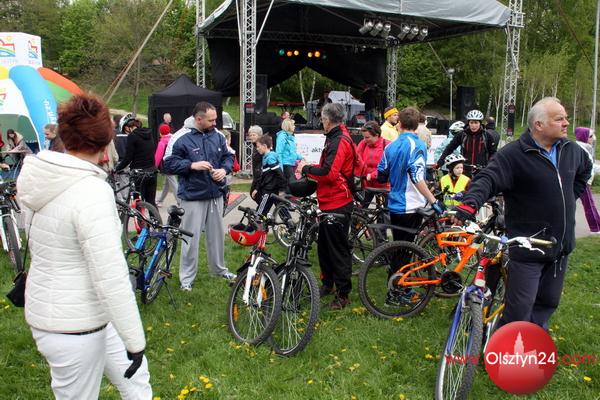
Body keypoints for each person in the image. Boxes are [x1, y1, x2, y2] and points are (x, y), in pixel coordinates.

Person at [17, 93, 151, 399]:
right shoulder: (91, 192)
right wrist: (135, 341)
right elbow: (111, 275)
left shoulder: (40, 176)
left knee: (137, 382)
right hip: (73, 324)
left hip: (78, 313)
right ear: (106, 142)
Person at [453, 97, 591, 329]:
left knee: (547, 303)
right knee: (519, 310)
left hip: (560, 247)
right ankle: (504, 346)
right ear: (539, 124)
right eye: (559, 119)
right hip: (529, 248)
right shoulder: (514, 154)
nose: (566, 123)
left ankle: (530, 344)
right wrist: (470, 204)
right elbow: (488, 178)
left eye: (566, 118)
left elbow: (584, 171)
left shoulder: (572, 150)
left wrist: (569, 196)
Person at [163, 101, 236, 290]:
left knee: (217, 236)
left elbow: (229, 156)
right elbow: (167, 163)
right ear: (198, 119)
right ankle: (186, 280)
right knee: (190, 239)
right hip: (192, 196)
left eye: (215, 119)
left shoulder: (217, 135)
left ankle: (219, 270)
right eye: (211, 120)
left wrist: (224, 170)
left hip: (215, 194)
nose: (215, 123)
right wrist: (191, 165)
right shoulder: (180, 137)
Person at [377, 107, 444, 306]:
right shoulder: (418, 145)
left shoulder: (390, 146)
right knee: (405, 250)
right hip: (412, 205)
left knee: (400, 248)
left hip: (395, 204)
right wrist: (433, 200)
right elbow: (416, 176)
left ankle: (397, 288)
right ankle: (397, 292)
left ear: (400, 123)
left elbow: (381, 174)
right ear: (417, 125)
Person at [298, 103, 355, 310]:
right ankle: (328, 284)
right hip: (329, 200)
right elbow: (329, 169)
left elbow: (329, 173)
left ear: (327, 120)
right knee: (324, 247)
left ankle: (343, 294)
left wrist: (306, 169)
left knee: (337, 250)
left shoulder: (339, 140)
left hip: (338, 201)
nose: (322, 123)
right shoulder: (334, 137)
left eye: (322, 120)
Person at [435, 109, 497, 177]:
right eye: (471, 122)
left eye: (476, 123)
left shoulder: (487, 136)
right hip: (464, 170)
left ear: (480, 123)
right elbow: (449, 148)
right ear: (468, 123)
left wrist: (490, 166)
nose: (473, 125)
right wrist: (440, 162)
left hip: (481, 171)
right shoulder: (462, 135)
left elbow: (493, 153)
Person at [115, 114, 158, 206]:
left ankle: (139, 216)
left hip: (139, 174)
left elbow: (128, 158)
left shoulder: (132, 136)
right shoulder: (149, 133)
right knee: (151, 202)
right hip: (152, 171)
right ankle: (155, 216)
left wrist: (116, 169)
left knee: (137, 202)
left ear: (127, 127)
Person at [356, 121, 390, 206]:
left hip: (384, 186)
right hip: (367, 184)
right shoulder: (363, 144)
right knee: (362, 209)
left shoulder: (387, 145)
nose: (365, 140)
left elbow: (389, 166)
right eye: (363, 137)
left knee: (386, 211)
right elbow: (356, 160)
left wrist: (372, 175)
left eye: (367, 137)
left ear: (377, 135)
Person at [574, 126, 600, 233]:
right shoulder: (580, 150)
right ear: (584, 137)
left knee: (590, 204)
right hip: (582, 182)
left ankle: (597, 225)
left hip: (584, 181)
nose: (593, 138)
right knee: (589, 205)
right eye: (590, 136)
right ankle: (594, 228)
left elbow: (591, 165)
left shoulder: (585, 148)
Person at [253, 135, 286, 216]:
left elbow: (280, 174)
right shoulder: (266, 157)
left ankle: (257, 221)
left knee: (261, 211)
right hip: (271, 188)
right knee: (281, 209)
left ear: (264, 146)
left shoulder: (270, 158)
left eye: (258, 147)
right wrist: (257, 188)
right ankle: (289, 222)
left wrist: (282, 189)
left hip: (269, 189)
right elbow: (263, 175)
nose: (257, 149)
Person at [276, 118, 303, 192]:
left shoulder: (291, 137)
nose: (294, 126)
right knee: (291, 184)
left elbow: (292, 152)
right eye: (293, 125)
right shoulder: (282, 136)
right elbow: (279, 152)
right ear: (288, 126)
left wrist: (302, 158)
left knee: (291, 184)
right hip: (285, 164)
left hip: (290, 163)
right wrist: (280, 167)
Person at [154, 123, 178, 207]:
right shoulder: (173, 139)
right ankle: (160, 200)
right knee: (167, 184)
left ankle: (180, 201)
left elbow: (158, 156)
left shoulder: (162, 142)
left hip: (166, 165)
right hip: (174, 162)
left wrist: (155, 167)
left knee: (173, 183)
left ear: (160, 133)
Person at [247, 125, 264, 203]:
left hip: (260, 176)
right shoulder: (255, 146)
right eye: (250, 135)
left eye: (254, 135)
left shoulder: (261, 146)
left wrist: (258, 185)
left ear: (259, 135)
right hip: (256, 175)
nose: (251, 137)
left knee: (256, 194)